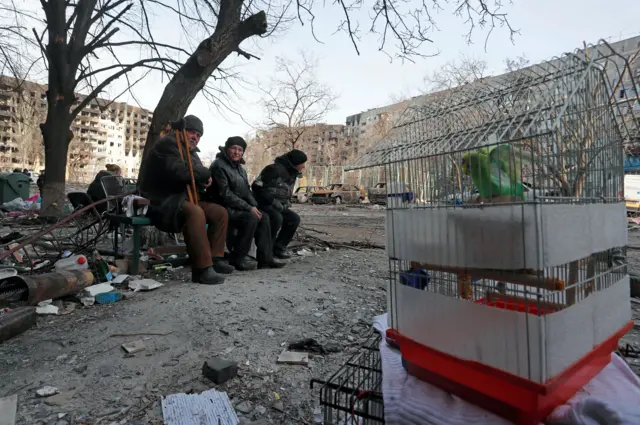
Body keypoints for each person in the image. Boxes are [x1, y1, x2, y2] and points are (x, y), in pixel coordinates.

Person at [139, 115, 232, 285]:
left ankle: (215, 258)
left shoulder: (191, 152)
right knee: (195, 213)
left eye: (198, 135)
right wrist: (203, 174)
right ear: (181, 130)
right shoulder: (167, 144)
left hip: (182, 198)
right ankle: (202, 269)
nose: (195, 137)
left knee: (220, 212)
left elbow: (196, 176)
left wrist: (205, 181)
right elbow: (178, 173)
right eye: (192, 132)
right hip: (162, 200)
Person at [208, 137, 285, 270]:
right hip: (223, 206)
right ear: (227, 149)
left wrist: (254, 205)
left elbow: (247, 191)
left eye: (240, 150)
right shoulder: (219, 165)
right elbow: (225, 194)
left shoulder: (241, 169)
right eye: (233, 148)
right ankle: (238, 258)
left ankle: (265, 258)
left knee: (263, 216)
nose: (237, 152)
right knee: (251, 218)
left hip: (237, 206)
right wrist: (248, 208)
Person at [251, 149, 306, 259]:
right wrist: (273, 201)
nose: (304, 166)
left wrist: (287, 202)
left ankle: (279, 248)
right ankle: (267, 251)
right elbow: (257, 187)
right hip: (263, 203)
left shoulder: (293, 173)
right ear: (295, 163)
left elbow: (286, 190)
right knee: (276, 218)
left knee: (294, 219)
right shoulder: (274, 170)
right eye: (302, 163)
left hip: (278, 205)